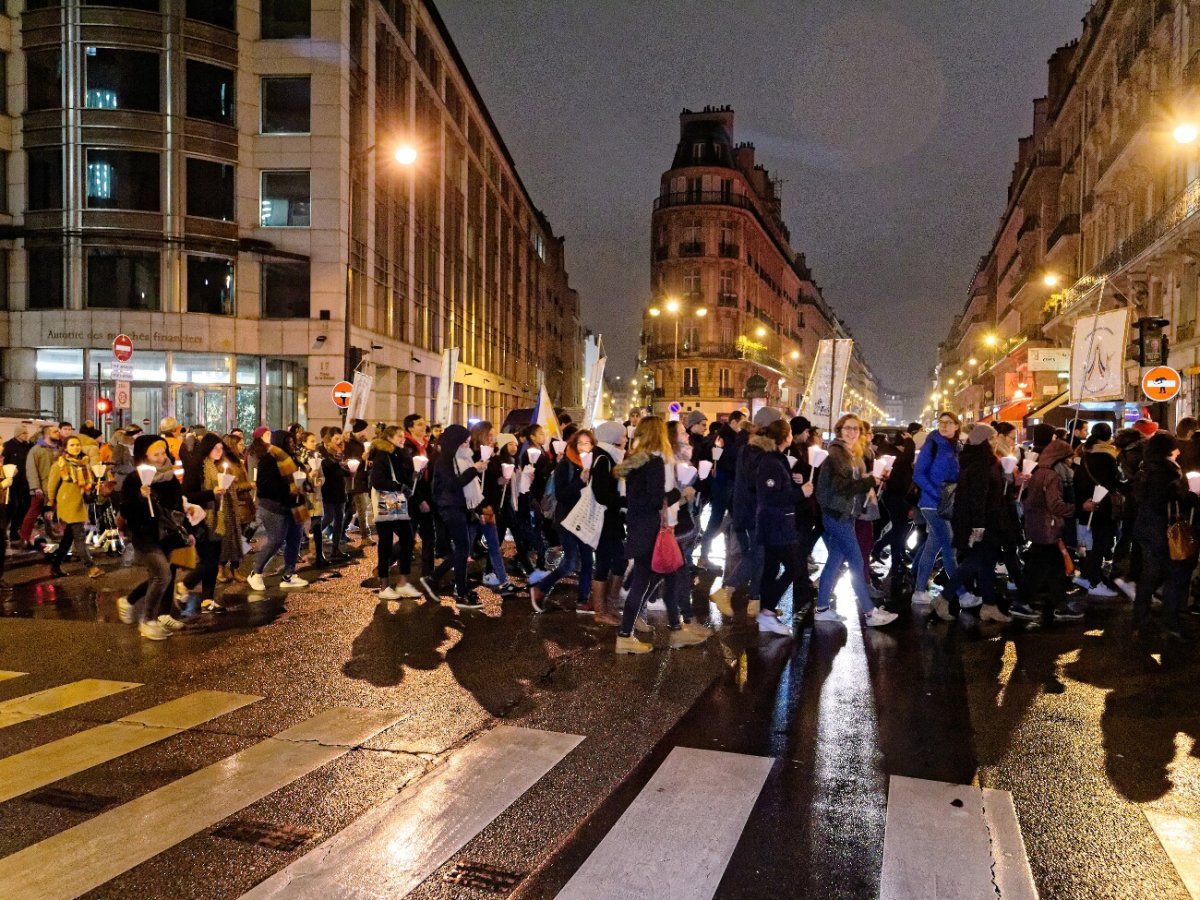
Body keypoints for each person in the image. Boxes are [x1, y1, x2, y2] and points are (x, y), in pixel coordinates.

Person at [613, 416, 707, 654]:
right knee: (643, 583)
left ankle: (676, 630)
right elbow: (657, 500)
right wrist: (681, 492)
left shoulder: (635, 461)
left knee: (671, 575)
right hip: (651, 529)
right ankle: (625, 635)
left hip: (639, 526)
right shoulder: (654, 463)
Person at [812, 414, 897, 628]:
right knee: (857, 563)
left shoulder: (853, 454)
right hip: (837, 514)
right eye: (847, 428)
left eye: (856, 429)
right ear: (839, 430)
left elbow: (857, 480)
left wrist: (873, 479)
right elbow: (841, 485)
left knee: (834, 561)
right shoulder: (836, 453)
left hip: (847, 514)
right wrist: (869, 481)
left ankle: (821, 608)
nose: (851, 432)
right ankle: (870, 612)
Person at [117, 435, 190, 640]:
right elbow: (126, 511)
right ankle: (147, 620)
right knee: (162, 575)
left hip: (167, 534)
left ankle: (156, 613)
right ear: (145, 455)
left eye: (163, 452)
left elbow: (175, 505)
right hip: (145, 535)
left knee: (162, 576)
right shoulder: (134, 479)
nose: (161, 457)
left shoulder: (170, 476)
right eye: (155, 454)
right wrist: (141, 497)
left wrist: (187, 521)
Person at [935, 424, 1010, 623]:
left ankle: (989, 605)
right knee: (975, 561)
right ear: (985, 441)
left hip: (989, 520)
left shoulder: (985, 461)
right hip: (982, 522)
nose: (996, 442)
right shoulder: (980, 463)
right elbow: (978, 497)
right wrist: (978, 528)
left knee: (987, 563)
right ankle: (944, 597)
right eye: (993, 438)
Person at [1131, 431, 1195, 640]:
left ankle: (1140, 620)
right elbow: (1174, 499)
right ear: (1168, 449)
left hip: (1145, 528)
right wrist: (1192, 496)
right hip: (1163, 531)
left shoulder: (1145, 468)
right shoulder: (1167, 472)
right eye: (1175, 447)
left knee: (1149, 576)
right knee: (1175, 576)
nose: (1178, 451)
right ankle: (1171, 623)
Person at [1011, 438, 1077, 624]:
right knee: (1038, 568)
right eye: (1068, 458)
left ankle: (1060, 605)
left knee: (1050, 567)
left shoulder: (1039, 472)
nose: (1070, 461)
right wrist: (1075, 509)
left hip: (1038, 526)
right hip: (1048, 528)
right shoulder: (1053, 476)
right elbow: (1055, 505)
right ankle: (1023, 602)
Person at [530, 428, 596, 614]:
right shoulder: (565, 465)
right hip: (567, 520)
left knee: (588, 561)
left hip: (586, 520)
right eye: (580, 443)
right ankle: (541, 588)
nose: (584, 447)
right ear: (574, 445)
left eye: (588, 443)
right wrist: (580, 481)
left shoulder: (594, 464)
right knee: (570, 563)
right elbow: (562, 494)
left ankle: (583, 600)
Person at [423, 424, 488, 607]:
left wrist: (476, 470)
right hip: (449, 507)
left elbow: (469, 486)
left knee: (462, 549)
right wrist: (474, 469)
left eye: (468, 442)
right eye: (464, 443)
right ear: (455, 443)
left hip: (459, 506)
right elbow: (454, 484)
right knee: (462, 548)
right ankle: (460, 591)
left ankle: (435, 579)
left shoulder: (461, 458)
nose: (468, 446)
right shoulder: (445, 460)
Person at [754, 418, 806, 636]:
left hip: (777, 523)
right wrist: (801, 493)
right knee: (794, 567)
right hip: (776, 524)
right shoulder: (770, 462)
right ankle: (766, 612)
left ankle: (766, 611)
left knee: (772, 568)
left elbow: (780, 488)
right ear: (786, 436)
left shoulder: (778, 459)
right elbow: (772, 497)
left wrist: (796, 480)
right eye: (791, 433)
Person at [246, 431, 308, 592]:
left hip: (294, 505)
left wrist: (306, 481)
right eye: (288, 442)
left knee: (295, 539)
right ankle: (256, 572)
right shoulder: (269, 459)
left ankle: (289, 574)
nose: (292, 445)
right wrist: (289, 488)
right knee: (276, 540)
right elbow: (264, 485)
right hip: (274, 506)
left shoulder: (293, 459)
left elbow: (300, 478)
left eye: (293, 442)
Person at [911, 411, 961, 605]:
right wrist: (938, 494)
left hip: (947, 503)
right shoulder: (932, 444)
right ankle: (961, 592)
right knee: (949, 546)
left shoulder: (956, 447)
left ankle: (919, 590)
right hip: (932, 504)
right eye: (941, 422)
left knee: (932, 547)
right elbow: (919, 474)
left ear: (957, 426)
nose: (944, 426)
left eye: (949, 422)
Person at [371, 425, 423, 600]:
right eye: (399, 436)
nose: (403, 438)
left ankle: (402, 583)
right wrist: (399, 486)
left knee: (407, 539)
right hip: (387, 501)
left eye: (403, 435)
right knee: (385, 544)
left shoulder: (399, 454)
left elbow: (403, 477)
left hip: (398, 502)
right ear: (389, 437)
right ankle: (384, 586)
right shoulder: (382, 455)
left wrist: (415, 475)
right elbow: (378, 481)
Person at [179, 433, 228, 615]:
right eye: (216, 448)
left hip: (216, 519)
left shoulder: (215, 468)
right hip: (200, 520)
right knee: (208, 560)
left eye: (221, 448)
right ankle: (185, 585)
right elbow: (187, 494)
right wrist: (211, 493)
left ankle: (208, 599)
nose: (219, 451)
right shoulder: (196, 467)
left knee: (214, 561)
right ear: (207, 448)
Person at [469, 422, 518, 598]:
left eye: (493, 435)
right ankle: (436, 578)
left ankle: (503, 581)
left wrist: (501, 482)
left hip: (491, 508)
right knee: (465, 548)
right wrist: (481, 507)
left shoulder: (494, 458)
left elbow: (492, 482)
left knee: (494, 545)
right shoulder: (473, 457)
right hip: (478, 509)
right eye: (489, 435)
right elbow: (473, 486)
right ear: (480, 435)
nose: (492, 438)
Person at [1072, 422, 1121, 598]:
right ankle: (1094, 582)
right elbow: (1114, 481)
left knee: (1087, 544)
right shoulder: (1108, 455)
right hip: (1101, 505)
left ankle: (1087, 576)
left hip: (1084, 504)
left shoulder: (1084, 453)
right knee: (1100, 544)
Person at [45, 435, 103, 579]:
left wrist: (94, 486)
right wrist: (49, 504)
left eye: (77, 445)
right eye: (72, 445)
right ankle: (91, 567)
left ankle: (55, 565)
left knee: (68, 538)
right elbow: (51, 486)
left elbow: (85, 485)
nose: (76, 447)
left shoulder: (82, 463)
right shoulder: (60, 464)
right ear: (65, 448)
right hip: (67, 504)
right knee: (79, 537)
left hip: (79, 503)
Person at [589, 421, 627, 625]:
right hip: (604, 518)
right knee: (605, 560)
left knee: (617, 559)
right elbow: (601, 494)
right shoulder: (604, 458)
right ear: (613, 437)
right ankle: (601, 611)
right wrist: (624, 501)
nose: (626, 439)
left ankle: (609, 606)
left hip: (612, 518)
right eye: (622, 435)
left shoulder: (612, 456)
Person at [403, 414, 439, 576]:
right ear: (410, 427)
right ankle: (389, 562)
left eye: (424, 424)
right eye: (419, 424)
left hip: (427, 495)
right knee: (408, 537)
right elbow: (408, 477)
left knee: (429, 536)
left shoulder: (428, 447)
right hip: (412, 498)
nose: (424, 427)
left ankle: (428, 573)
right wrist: (419, 500)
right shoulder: (406, 448)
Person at [217, 435, 253, 583]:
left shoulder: (239, 461)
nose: (243, 446)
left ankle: (235, 567)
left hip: (245, 505)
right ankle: (221, 568)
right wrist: (249, 485)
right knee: (230, 540)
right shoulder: (225, 465)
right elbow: (230, 487)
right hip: (235, 506)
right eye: (240, 444)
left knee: (241, 540)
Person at [20, 424, 61, 547]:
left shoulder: (58, 449)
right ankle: (24, 538)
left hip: (55, 488)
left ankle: (51, 533)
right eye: (55, 431)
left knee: (50, 513)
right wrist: (35, 487)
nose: (58, 433)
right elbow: (31, 469)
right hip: (41, 488)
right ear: (47, 434)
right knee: (33, 513)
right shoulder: (36, 450)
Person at [296, 432, 327, 568]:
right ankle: (296, 554)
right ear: (304, 443)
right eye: (312, 441)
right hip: (304, 497)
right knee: (301, 527)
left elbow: (322, 476)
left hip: (316, 496)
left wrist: (320, 480)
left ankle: (319, 555)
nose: (315, 443)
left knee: (317, 526)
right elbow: (297, 478)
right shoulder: (298, 458)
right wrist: (309, 474)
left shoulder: (318, 457)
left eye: (315, 441)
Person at [320, 430, 351, 559]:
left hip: (340, 491)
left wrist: (347, 468)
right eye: (336, 439)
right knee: (328, 517)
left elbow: (344, 473)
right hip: (328, 491)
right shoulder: (325, 455)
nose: (340, 441)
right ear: (329, 441)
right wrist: (341, 466)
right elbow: (330, 470)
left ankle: (335, 548)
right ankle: (309, 535)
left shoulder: (340, 455)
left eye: (340, 439)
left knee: (339, 519)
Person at [344, 418, 374, 545]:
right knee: (361, 509)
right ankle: (365, 537)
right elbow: (349, 462)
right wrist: (362, 459)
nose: (366, 433)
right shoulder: (349, 444)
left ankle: (340, 532)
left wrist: (370, 462)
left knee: (351, 509)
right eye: (365, 430)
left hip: (363, 479)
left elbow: (366, 463)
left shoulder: (363, 443)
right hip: (354, 479)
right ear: (360, 431)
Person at [3, 425, 31, 543]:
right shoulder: (8, 446)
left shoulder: (28, 446)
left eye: (26, 433)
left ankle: (15, 529)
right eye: (24, 433)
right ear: (18, 434)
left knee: (23, 506)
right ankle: (6, 530)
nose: (26, 435)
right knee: (12, 506)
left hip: (25, 481)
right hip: (12, 483)